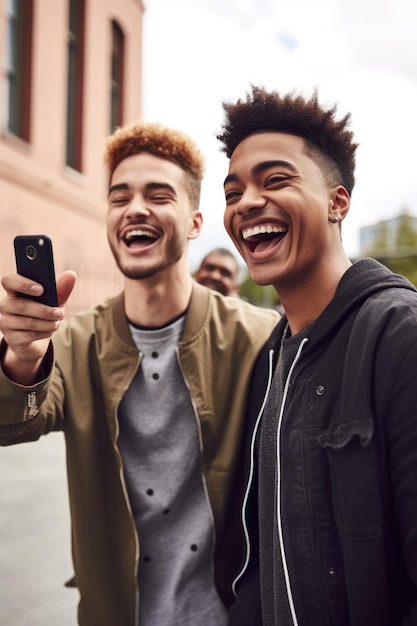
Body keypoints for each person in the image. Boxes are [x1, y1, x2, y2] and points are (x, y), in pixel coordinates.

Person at [0, 121, 279, 626]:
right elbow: (13, 424)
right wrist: (21, 355)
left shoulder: (258, 337)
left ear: (195, 222)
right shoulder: (73, 340)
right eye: (119, 196)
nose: (135, 208)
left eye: (158, 194)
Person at [217, 85, 417, 625]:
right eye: (233, 192)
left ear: (337, 201)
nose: (247, 203)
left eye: (276, 180)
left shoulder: (400, 335)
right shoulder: (272, 358)